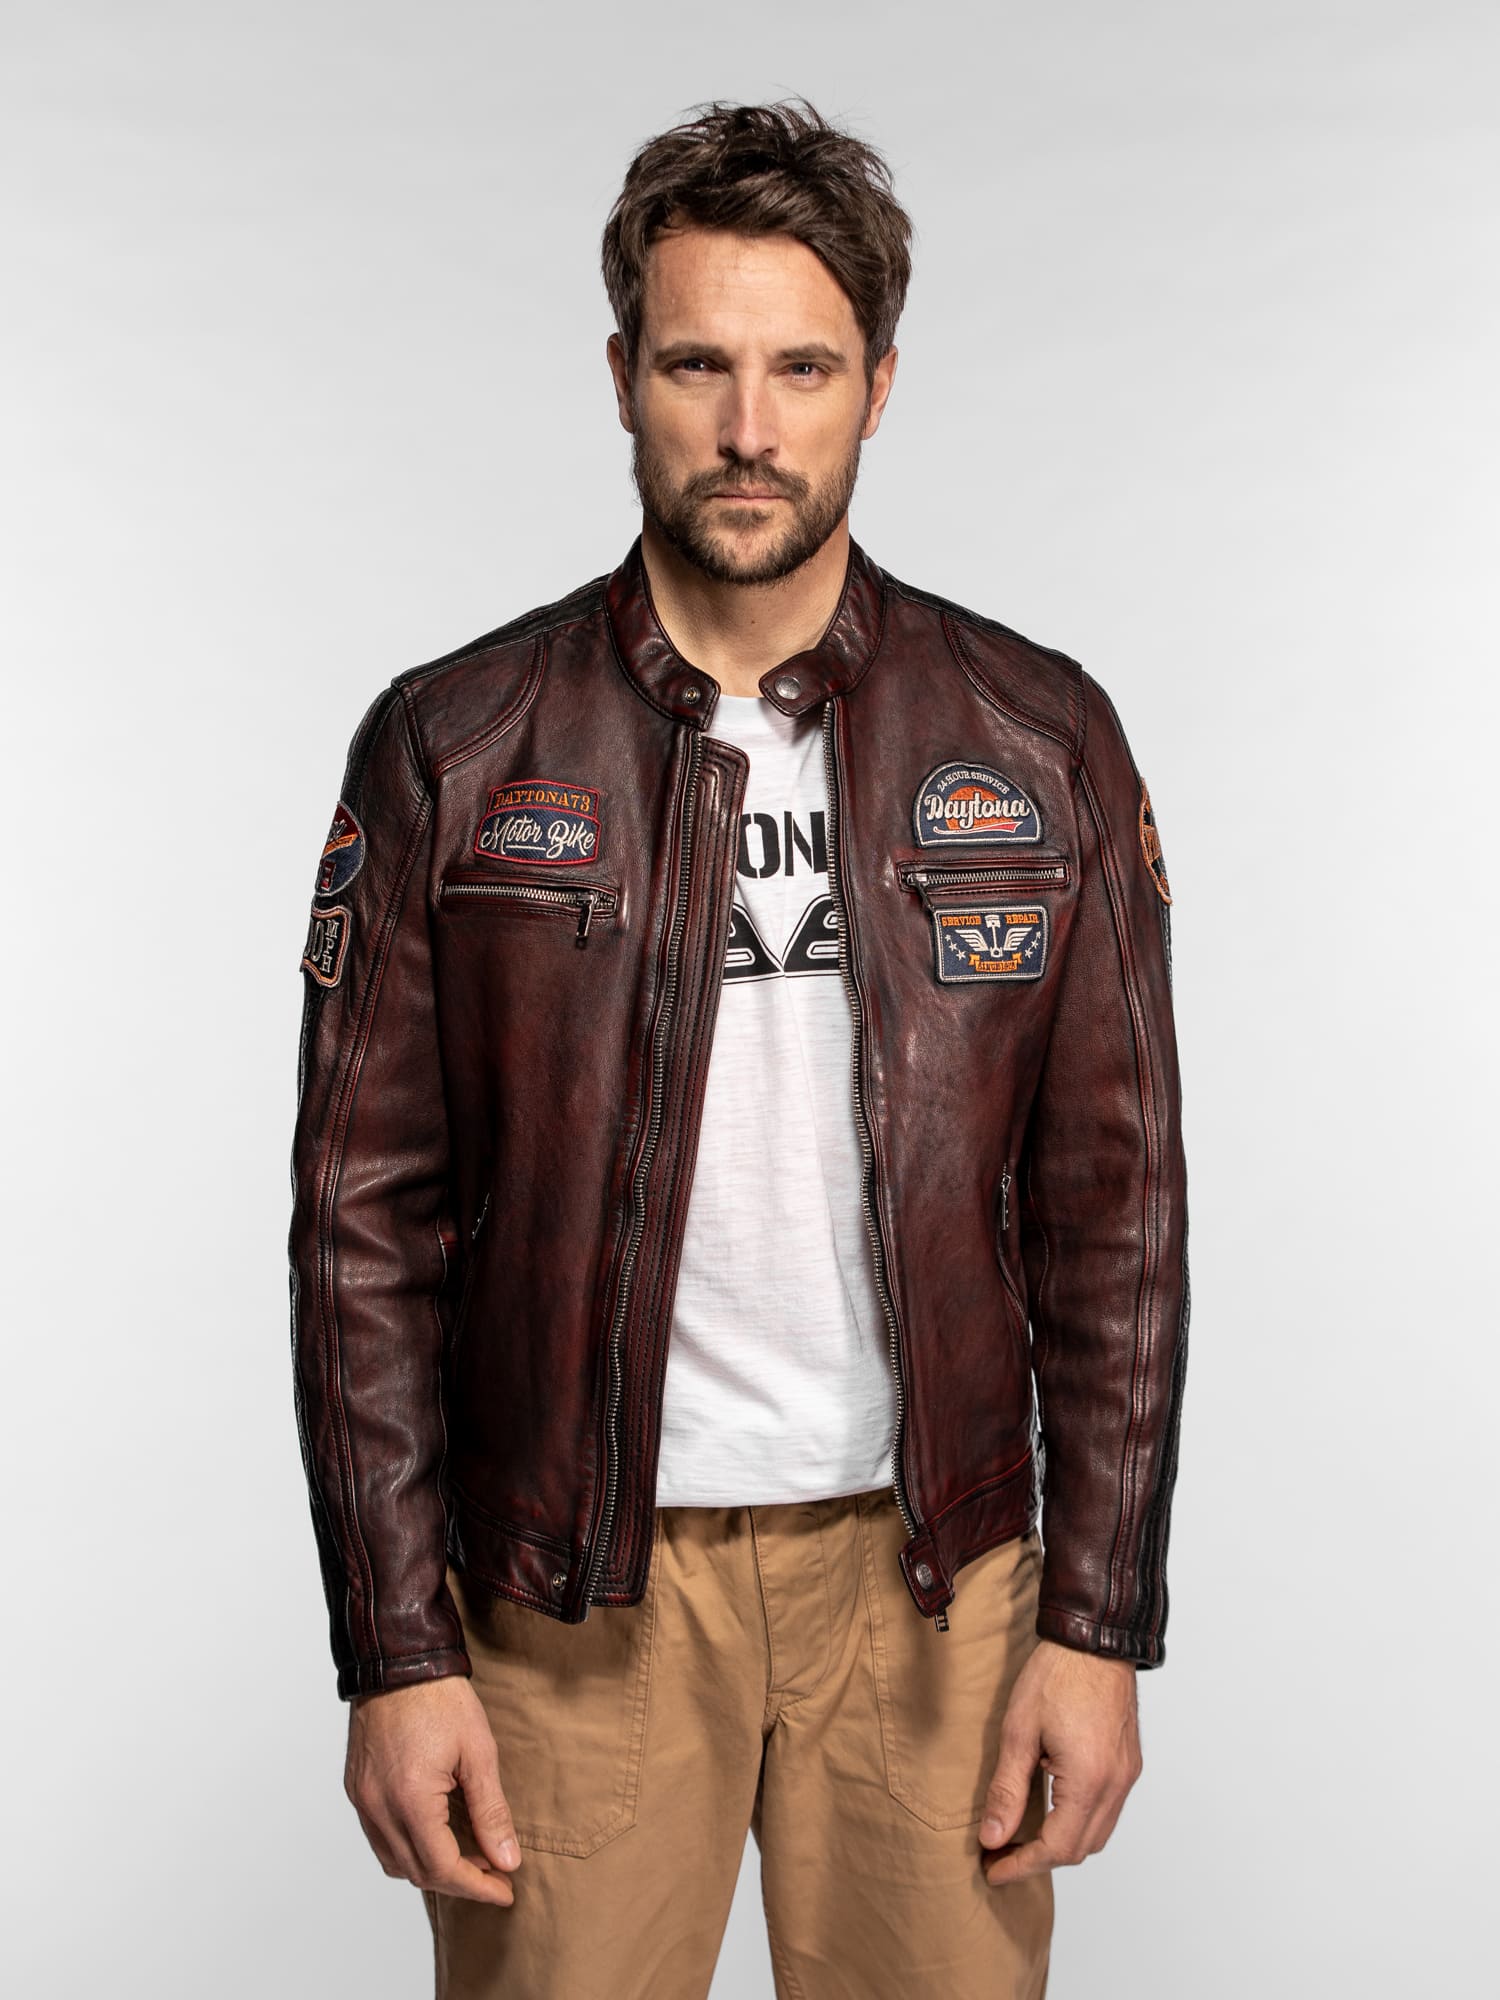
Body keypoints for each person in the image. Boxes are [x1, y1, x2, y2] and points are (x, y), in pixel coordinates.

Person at [288, 98, 1190, 2000]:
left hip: (934, 1584)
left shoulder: (1038, 739)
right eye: (700, 364)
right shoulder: (456, 743)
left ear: (881, 384)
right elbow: (362, 1225)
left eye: (804, 368)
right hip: (566, 1599)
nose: (751, 428)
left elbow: (1117, 1213)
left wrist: (1099, 1621)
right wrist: (396, 1647)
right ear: (623, 373)